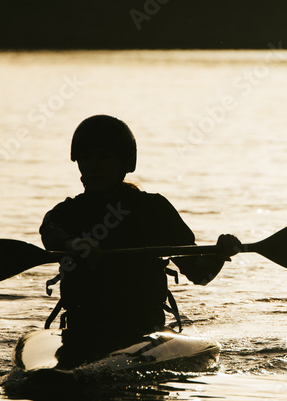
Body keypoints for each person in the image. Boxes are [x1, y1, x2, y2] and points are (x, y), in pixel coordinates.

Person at [40, 115, 240, 367]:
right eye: (87, 157)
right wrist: (72, 244)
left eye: (103, 157)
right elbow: (49, 230)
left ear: (125, 162)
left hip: (143, 332)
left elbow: (199, 275)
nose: (93, 166)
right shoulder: (66, 213)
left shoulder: (154, 210)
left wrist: (220, 253)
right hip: (80, 331)